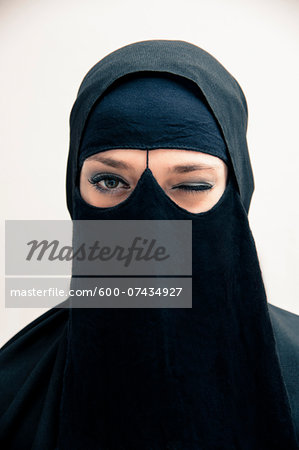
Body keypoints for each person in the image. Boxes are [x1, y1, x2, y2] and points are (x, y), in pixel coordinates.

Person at [0, 39, 299, 450]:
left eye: (191, 185)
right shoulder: (12, 390)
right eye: (109, 181)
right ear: (74, 190)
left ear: (237, 193)